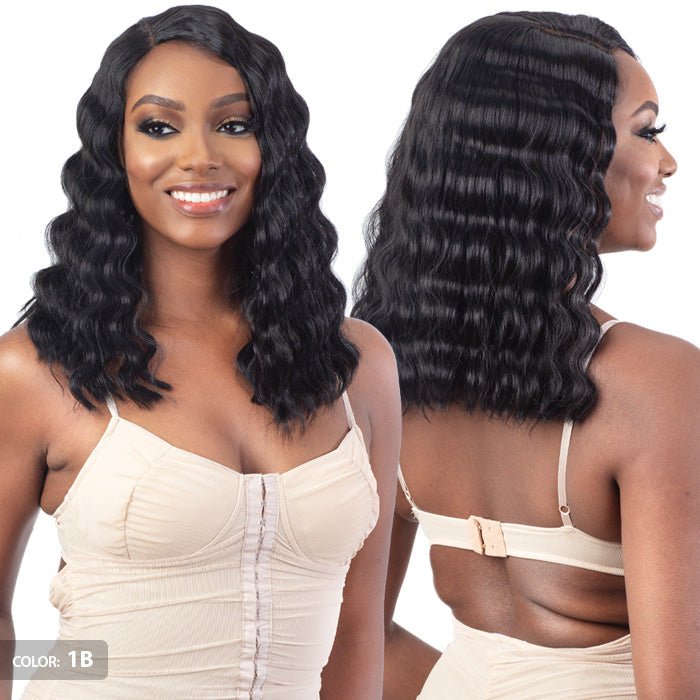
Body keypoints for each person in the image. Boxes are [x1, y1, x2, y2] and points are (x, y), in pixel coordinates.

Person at [0, 5, 400, 698]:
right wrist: (91, 668)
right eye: (159, 127)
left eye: (234, 124)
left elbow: (361, 630)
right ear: (114, 151)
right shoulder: (36, 369)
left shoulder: (357, 364)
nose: (199, 156)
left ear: (273, 146)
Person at [353, 11, 699, 699]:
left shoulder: (386, 370)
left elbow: (357, 643)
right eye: (646, 130)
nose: (667, 162)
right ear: (559, 154)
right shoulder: (658, 382)